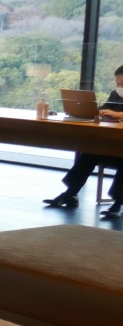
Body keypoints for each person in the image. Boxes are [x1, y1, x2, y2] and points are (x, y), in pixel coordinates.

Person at [44, 64, 123, 218]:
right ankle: (71, 193)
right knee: (90, 153)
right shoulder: (115, 95)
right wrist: (87, 111)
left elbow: (113, 113)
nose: (120, 87)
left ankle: (119, 202)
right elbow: (101, 110)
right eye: (118, 83)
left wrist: (116, 114)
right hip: (113, 142)